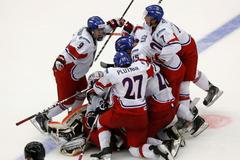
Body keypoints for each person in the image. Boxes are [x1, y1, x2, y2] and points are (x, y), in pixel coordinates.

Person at [33, 16, 125, 133]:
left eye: (102, 30)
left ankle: (72, 117)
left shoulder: (91, 32)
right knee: (67, 101)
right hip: (66, 72)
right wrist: (60, 60)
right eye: (99, 31)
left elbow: (102, 29)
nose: (102, 33)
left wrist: (114, 23)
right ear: (92, 30)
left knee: (82, 94)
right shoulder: (85, 42)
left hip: (78, 73)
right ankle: (43, 117)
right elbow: (68, 52)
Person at [90, 51, 173, 160]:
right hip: (141, 116)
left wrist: (97, 80)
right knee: (135, 148)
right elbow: (155, 69)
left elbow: (97, 89)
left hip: (121, 113)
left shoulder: (113, 72)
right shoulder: (142, 67)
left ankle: (105, 152)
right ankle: (157, 150)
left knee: (101, 122)